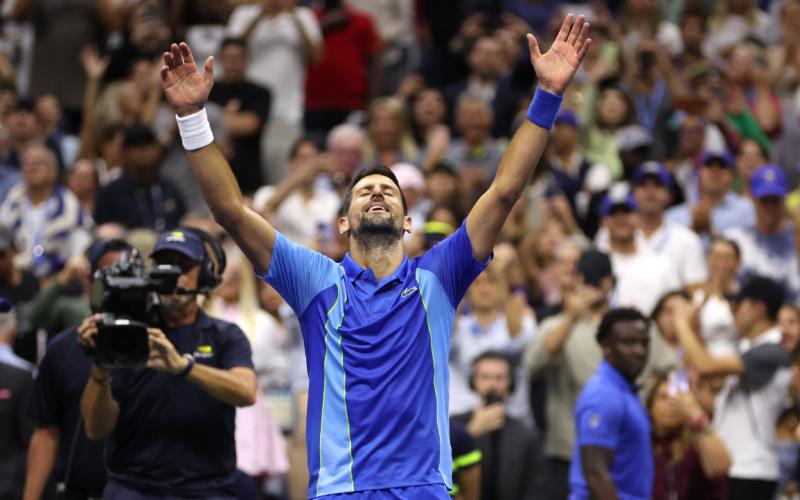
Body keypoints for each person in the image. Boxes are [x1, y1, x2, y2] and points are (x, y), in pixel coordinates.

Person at [159, 13, 591, 498]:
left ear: (409, 221)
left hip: (423, 488)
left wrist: (548, 95)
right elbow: (232, 212)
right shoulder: (314, 281)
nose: (378, 194)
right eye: (364, 191)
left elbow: (505, 190)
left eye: (389, 190)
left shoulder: (440, 276)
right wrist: (193, 118)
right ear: (342, 222)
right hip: (343, 490)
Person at [77, 230, 257, 497]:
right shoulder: (128, 333)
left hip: (207, 489)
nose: (173, 277)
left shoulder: (225, 336)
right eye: (165, 266)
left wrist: (184, 367)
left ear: (206, 274)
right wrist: (100, 363)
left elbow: (246, 392)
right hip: (134, 489)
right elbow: (95, 428)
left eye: (183, 267)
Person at [23, 240, 132, 500]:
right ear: (88, 278)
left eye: (127, 275)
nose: (118, 285)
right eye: (109, 275)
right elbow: (46, 431)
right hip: (82, 490)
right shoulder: (63, 347)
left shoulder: (158, 345)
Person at [672, 276, 793, 500]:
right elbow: (719, 396)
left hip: (750, 470)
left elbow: (706, 366)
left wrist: (680, 323)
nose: (732, 313)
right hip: (732, 464)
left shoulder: (772, 351)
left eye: (737, 306)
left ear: (757, 308)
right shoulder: (749, 349)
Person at [569, 308, 653, 500]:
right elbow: (596, 473)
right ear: (606, 346)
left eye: (644, 343)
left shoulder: (624, 390)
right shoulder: (603, 395)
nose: (639, 351)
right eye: (628, 342)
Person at [453, 351, 542, 500]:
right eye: (485, 377)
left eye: (499, 378)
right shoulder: (455, 427)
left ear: (511, 383)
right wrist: (470, 433)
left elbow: (537, 488)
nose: (492, 385)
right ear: (473, 382)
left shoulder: (526, 434)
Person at [647, 373, 731, 500]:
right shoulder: (642, 443)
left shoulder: (696, 443)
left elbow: (722, 467)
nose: (671, 403)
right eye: (663, 397)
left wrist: (696, 416)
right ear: (650, 407)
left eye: (676, 398)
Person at [208, 37, 271, 195]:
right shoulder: (207, 90)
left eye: (238, 58)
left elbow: (250, 125)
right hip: (212, 174)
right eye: (228, 58)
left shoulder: (260, 92)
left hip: (248, 175)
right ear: (220, 59)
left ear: (247, 59)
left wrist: (214, 120)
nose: (233, 63)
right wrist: (230, 117)